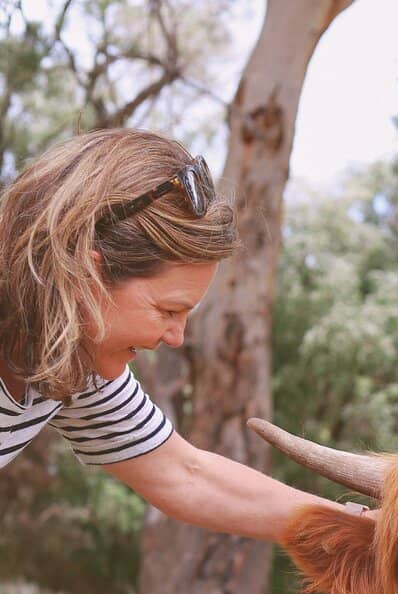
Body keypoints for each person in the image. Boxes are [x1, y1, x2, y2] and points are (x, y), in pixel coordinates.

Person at [0, 127, 365, 538]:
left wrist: (366, 528)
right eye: (168, 310)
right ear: (84, 275)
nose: (176, 337)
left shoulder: (74, 359)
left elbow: (185, 474)